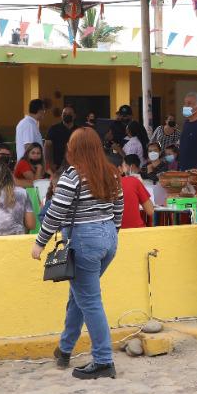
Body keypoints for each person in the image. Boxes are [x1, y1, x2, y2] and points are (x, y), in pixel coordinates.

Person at [32, 128, 124, 379]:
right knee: (80, 295)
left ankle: (103, 360)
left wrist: (40, 243)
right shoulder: (111, 172)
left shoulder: (71, 176)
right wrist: (111, 232)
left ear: (74, 149)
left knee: (89, 300)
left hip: (84, 239)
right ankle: (65, 349)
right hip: (108, 238)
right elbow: (119, 206)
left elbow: (56, 212)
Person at [108, 152, 153, 229]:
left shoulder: (97, 187)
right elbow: (150, 210)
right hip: (135, 231)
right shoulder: (133, 181)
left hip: (110, 233)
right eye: (125, 165)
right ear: (120, 169)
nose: (126, 168)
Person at [45, 106, 77, 175]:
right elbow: (47, 147)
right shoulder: (53, 129)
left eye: (69, 113)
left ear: (74, 116)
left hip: (76, 166)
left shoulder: (78, 130)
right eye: (64, 113)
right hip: (57, 166)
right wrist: (49, 164)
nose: (67, 115)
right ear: (61, 116)